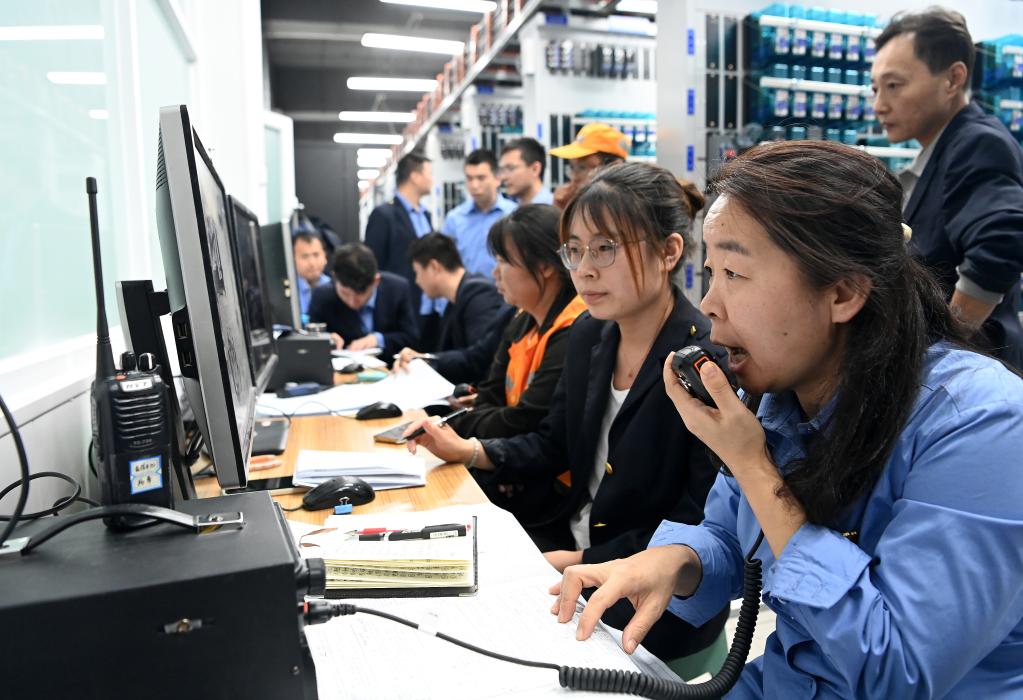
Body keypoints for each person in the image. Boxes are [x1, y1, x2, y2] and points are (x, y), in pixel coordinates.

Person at [553, 141, 1023, 697]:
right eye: (711, 272)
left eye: (734, 273)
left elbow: (894, 671)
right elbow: (731, 539)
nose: (710, 303)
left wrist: (752, 464)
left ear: (843, 292)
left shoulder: (982, 424)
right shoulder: (782, 392)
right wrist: (674, 563)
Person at [406, 165, 728, 661]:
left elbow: (701, 521)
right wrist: (468, 450)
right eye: (574, 250)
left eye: (605, 249)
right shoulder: (590, 335)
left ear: (669, 252)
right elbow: (553, 443)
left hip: (650, 603)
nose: (585, 269)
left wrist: (578, 558)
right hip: (569, 555)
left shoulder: (703, 361)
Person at [872, 8, 1023, 368]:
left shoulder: (977, 142)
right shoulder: (943, 149)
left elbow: (1001, 243)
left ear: (953, 78)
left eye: (894, 86)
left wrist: (945, 347)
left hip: (970, 374)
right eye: (875, 89)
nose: (879, 105)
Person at [402, 204, 586, 439]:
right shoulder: (522, 318)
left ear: (545, 266)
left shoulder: (575, 328)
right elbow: (491, 394)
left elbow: (523, 420)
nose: (495, 273)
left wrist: (449, 428)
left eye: (503, 261)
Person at [363, 152, 443, 347]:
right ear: (415, 176)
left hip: (430, 308)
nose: (432, 179)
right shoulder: (384, 215)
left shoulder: (425, 215)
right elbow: (373, 266)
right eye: (429, 173)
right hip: (400, 311)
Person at [402, 232, 509, 354]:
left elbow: (480, 357)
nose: (417, 281)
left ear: (434, 267)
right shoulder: (454, 300)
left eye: (417, 272)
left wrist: (427, 359)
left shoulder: (479, 295)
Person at [308, 242, 418, 358]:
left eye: (360, 294)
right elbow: (309, 342)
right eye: (345, 294)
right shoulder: (322, 296)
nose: (352, 301)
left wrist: (378, 339)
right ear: (335, 278)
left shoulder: (397, 290)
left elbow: (411, 339)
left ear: (375, 281)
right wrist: (325, 339)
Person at [442, 149, 516, 278]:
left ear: (497, 178)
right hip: (468, 289)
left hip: (506, 289)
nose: (474, 185)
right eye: (469, 178)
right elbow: (445, 262)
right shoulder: (454, 219)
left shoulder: (514, 214)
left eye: (481, 178)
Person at [549, 123, 628, 209]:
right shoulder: (570, 201)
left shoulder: (626, 208)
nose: (574, 178)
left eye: (582, 168)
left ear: (613, 167)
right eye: (572, 168)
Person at [499, 137, 554, 206]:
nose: (503, 177)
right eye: (502, 170)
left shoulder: (557, 207)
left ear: (535, 169)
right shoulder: (509, 209)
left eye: (511, 168)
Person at [292, 232, 331, 325]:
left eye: (316, 255)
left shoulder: (335, 288)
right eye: (304, 256)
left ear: (325, 256)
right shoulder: (288, 291)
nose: (312, 263)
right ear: (292, 259)